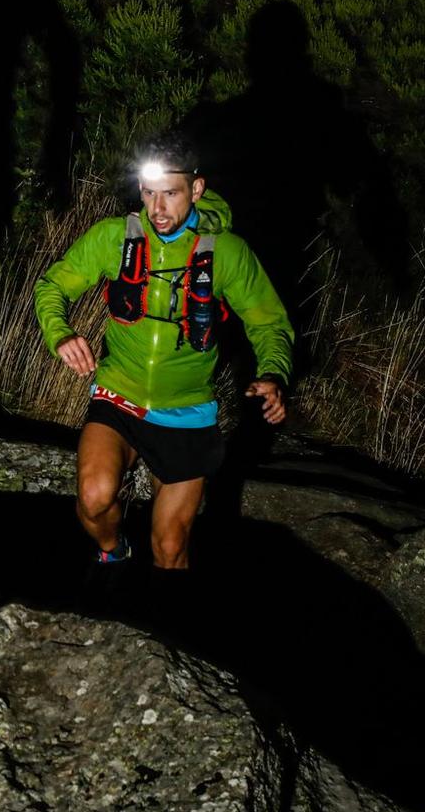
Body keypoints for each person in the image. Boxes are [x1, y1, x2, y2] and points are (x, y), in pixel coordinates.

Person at [33, 132, 293, 604]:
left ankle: (166, 635)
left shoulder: (227, 253)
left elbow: (270, 323)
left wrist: (273, 374)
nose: (156, 207)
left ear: (196, 189)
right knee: (94, 499)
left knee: (171, 550)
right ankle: (112, 553)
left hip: (187, 410)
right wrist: (61, 333)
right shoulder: (115, 237)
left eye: (169, 193)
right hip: (118, 393)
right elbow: (52, 286)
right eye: (148, 192)